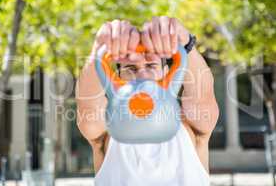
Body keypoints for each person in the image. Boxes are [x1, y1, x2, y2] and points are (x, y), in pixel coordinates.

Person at [76, 16, 219, 186]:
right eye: (131, 68)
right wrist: (99, 48)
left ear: (167, 72)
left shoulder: (190, 128)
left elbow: (203, 95)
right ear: (118, 77)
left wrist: (185, 42)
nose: (142, 76)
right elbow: (87, 104)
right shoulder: (108, 133)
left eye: (151, 66)